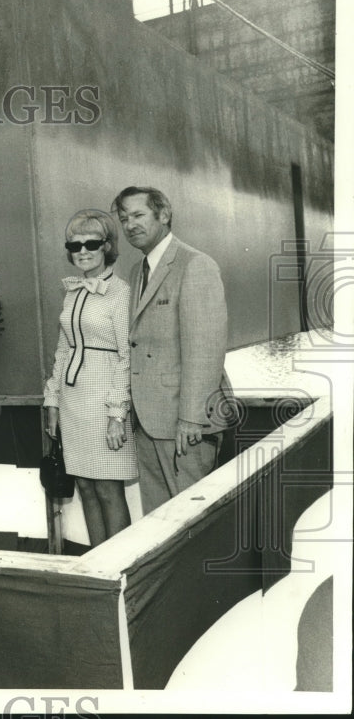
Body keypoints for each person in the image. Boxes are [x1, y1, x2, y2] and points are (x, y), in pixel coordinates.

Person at [111, 186, 234, 515]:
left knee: (190, 520)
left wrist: (191, 419)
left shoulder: (195, 264)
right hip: (149, 423)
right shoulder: (138, 272)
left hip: (184, 425)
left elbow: (205, 350)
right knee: (159, 521)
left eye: (138, 215)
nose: (130, 225)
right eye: (124, 219)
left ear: (163, 215)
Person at [42, 210, 136, 546]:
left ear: (107, 246)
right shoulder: (72, 292)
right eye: (75, 244)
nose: (82, 250)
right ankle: (100, 566)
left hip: (104, 403)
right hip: (73, 404)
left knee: (109, 488)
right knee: (84, 486)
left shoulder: (122, 293)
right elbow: (63, 350)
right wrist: (52, 401)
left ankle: (122, 568)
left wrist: (117, 413)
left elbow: (127, 355)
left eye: (91, 243)